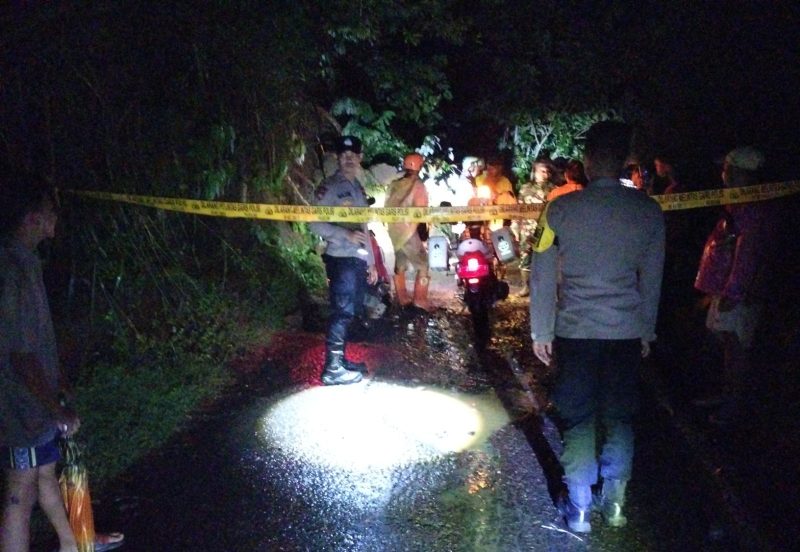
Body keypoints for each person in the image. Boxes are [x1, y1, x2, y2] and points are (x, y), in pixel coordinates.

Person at [529, 122, 665, 533]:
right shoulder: (648, 211)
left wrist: (541, 330)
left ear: (587, 161)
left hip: (576, 332)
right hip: (624, 332)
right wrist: (647, 330)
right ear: (624, 159)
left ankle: (581, 507)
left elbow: (541, 271)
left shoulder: (560, 209)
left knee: (579, 418)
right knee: (620, 417)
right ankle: (617, 503)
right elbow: (653, 278)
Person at [1, 173, 125, 552]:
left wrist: (58, 389)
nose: (55, 221)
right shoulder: (13, 269)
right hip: (20, 405)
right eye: (50, 213)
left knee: (44, 476)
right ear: (31, 217)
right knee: (20, 490)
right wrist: (54, 406)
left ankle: (76, 543)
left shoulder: (25, 262)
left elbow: (33, 344)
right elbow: (19, 355)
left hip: (33, 401)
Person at [693, 146, 776, 425]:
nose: (723, 173)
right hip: (727, 289)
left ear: (741, 173)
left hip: (737, 293)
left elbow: (748, 254)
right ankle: (726, 396)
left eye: (727, 168)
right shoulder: (740, 203)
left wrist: (733, 292)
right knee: (728, 346)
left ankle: (733, 407)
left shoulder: (751, 207)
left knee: (736, 350)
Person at [309, 136, 378, 385]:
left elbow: (363, 226)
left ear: (360, 158)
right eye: (344, 155)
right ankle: (332, 369)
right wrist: (344, 234)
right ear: (338, 158)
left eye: (353, 155)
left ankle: (341, 359)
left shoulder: (357, 188)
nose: (349, 158)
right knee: (342, 312)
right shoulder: (330, 188)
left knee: (350, 311)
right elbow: (313, 221)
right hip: (340, 258)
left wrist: (371, 262)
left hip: (355, 260)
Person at [384, 153, 431, 311]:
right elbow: (421, 212)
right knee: (423, 264)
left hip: (394, 231)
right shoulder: (418, 185)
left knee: (401, 264)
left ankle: (402, 299)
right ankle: (420, 299)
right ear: (420, 167)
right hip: (409, 231)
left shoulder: (394, 184)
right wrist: (423, 232)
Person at [514, 158, 553, 297]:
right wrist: (515, 226)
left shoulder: (552, 189)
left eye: (547, 171)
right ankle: (526, 287)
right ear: (535, 172)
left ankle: (544, 288)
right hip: (527, 229)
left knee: (545, 258)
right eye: (542, 171)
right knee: (525, 258)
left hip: (544, 229)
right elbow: (518, 208)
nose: (545, 174)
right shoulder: (525, 188)